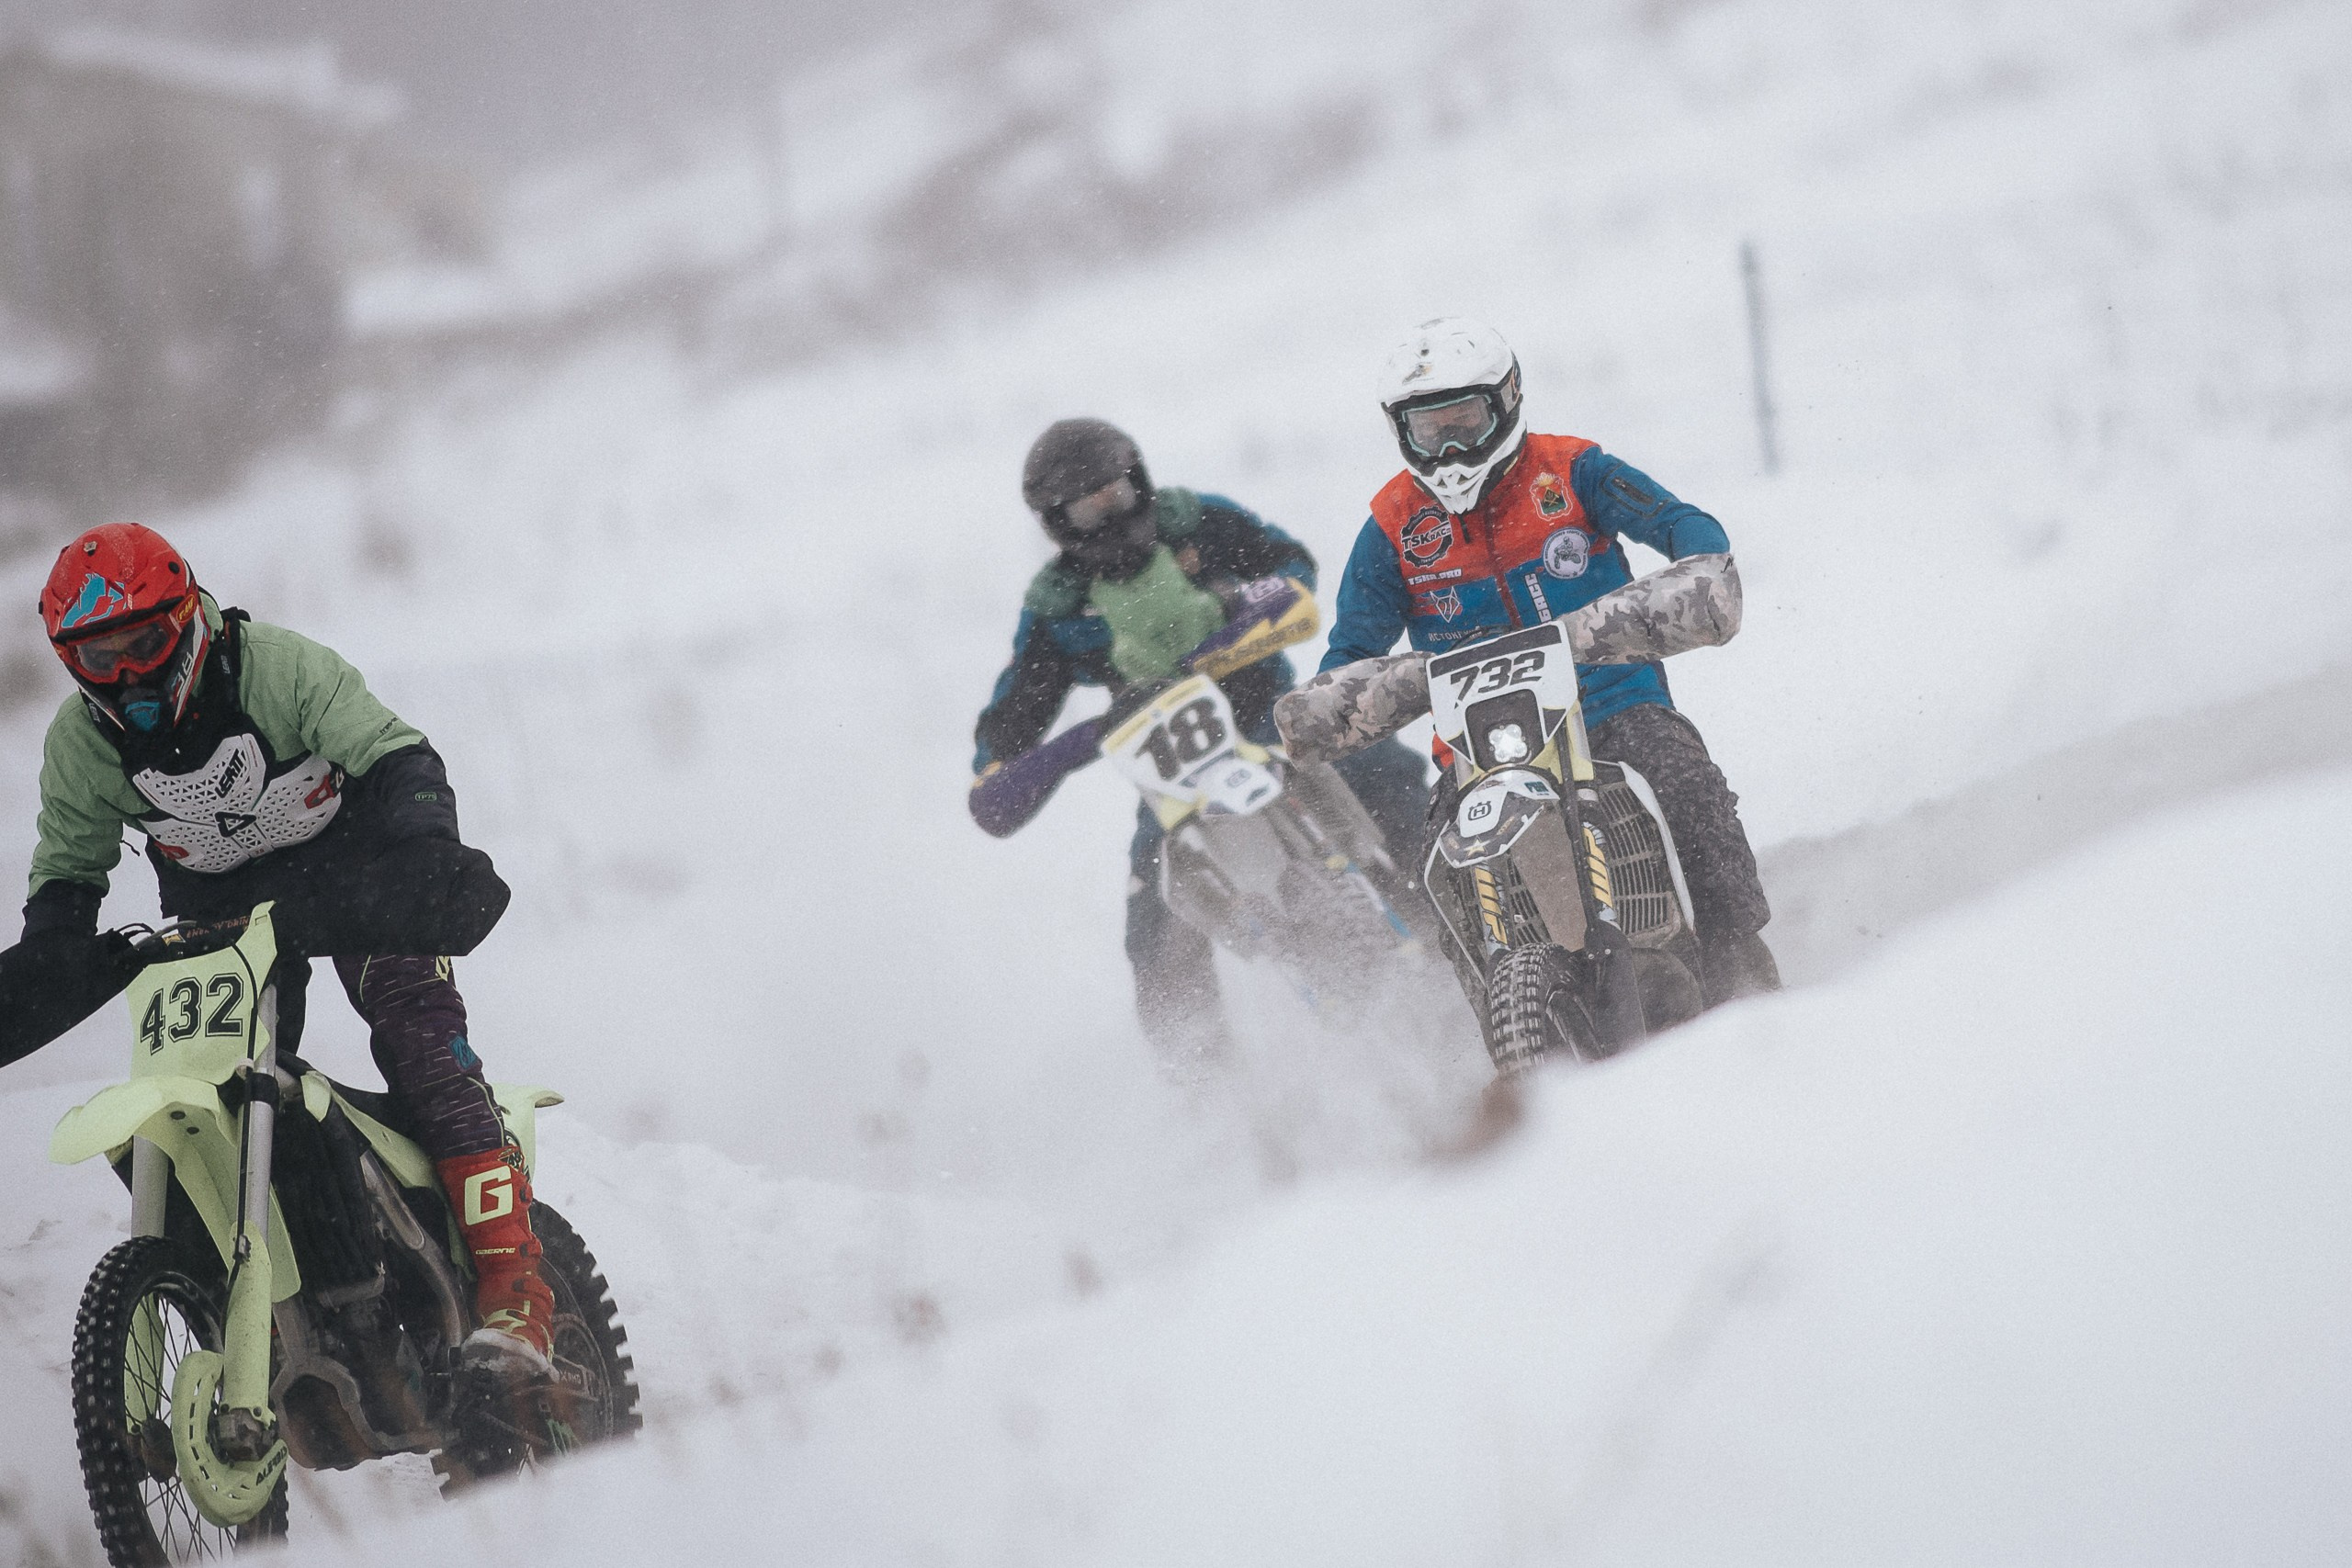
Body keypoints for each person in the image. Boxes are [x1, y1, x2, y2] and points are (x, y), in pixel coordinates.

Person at [0, 522, 554, 1373]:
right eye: (98, 658)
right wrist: (53, 952)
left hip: (356, 868)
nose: (130, 677)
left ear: (187, 618)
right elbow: (68, 868)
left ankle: (517, 1302)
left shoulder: (279, 666)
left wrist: (423, 848)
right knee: (206, 1083)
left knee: (420, 1036)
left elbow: (397, 752)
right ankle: (284, 1300)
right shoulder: (82, 745)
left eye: (144, 643)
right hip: (216, 906)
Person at [1317, 319, 1780, 1005]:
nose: (1449, 448)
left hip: (1612, 702)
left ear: (1505, 400)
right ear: (1400, 431)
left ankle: (1737, 955)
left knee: (1684, 780)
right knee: (1437, 858)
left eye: (1465, 422)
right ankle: (1499, 1017)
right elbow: (1352, 646)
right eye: (1429, 430)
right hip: (1478, 749)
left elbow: (1680, 520)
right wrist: (1335, 698)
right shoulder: (1393, 526)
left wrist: (1697, 566)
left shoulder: (1572, 468)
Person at [974, 419, 1429, 1063]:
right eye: (1087, 506)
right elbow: (1015, 712)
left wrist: (1239, 602)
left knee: (1387, 772)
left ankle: (1455, 924)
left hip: (1273, 712)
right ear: (1058, 523)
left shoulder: (1202, 523)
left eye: (1116, 493)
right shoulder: (1058, 610)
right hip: (1168, 766)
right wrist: (997, 764)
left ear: (1138, 481)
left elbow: (1294, 568)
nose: (1109, 513)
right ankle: (1203, 1082)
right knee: (1152, 919)